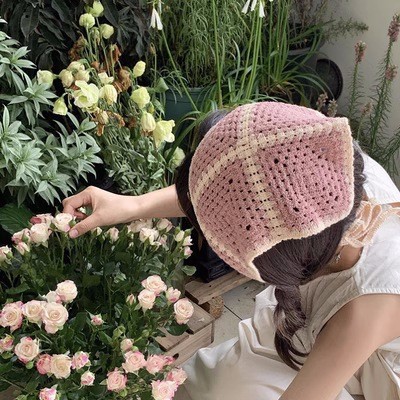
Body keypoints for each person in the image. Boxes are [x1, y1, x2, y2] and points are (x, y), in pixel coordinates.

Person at [62, 102, 400, 400]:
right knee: (215, 381)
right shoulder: (330, 163)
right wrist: (133, 205)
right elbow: (227, 188)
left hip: (370, 368)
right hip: (314, 324)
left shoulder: (364, 307)